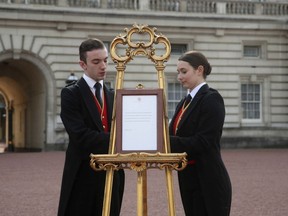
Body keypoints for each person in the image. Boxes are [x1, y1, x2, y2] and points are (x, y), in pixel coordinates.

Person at [57, 38, 125, 216]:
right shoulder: (71, 94)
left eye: (105, 60)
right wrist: (120, 139)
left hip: (112, 171)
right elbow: (80, 135)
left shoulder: (113, 94)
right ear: (83, 64)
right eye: (96, 61)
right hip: (83, 173)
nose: (103, 66)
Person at [169, 51, 232, 216]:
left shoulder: (212, 99)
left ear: (199, 70)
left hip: (208, 178)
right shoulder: (184, 102)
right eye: (178, 72)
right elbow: (173, 134)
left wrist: (164, 141)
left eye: (184, 72)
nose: (179, 77)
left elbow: (205, 141)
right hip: (187, 178)